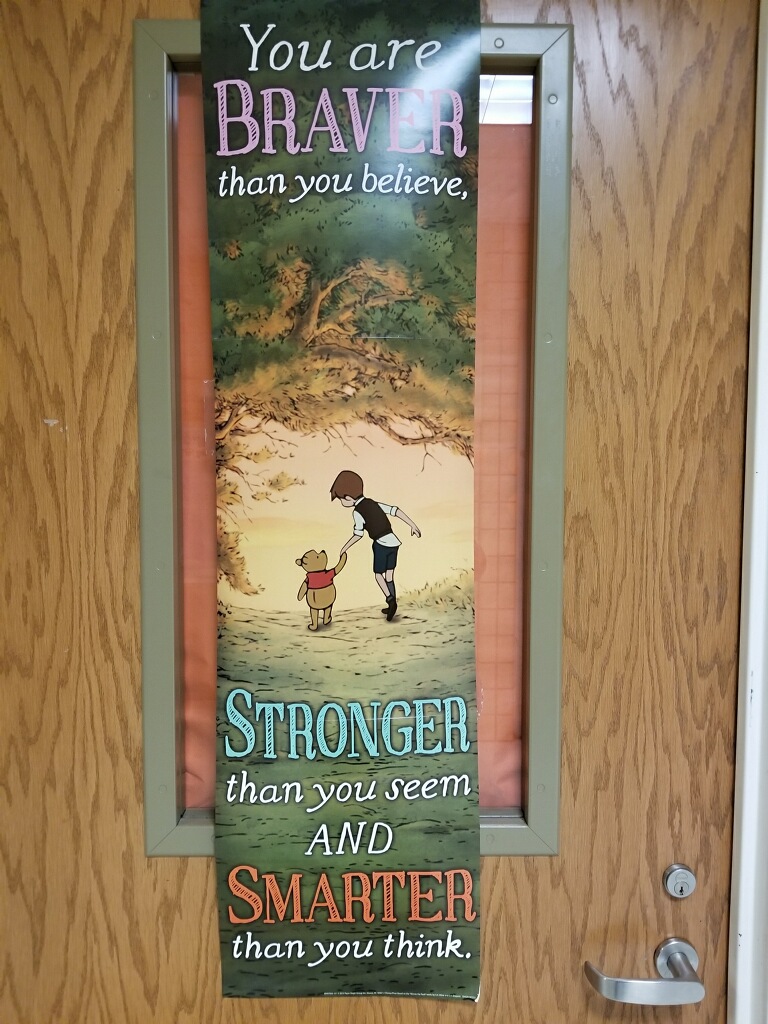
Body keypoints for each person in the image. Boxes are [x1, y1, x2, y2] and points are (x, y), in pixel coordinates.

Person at [330, 469, 421, 621]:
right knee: (389, 575)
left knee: (379, 575)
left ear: (348, 498)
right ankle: (392, 604)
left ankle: (391, 601)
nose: (342, 503)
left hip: (380, 543)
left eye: (341, 500)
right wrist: (413, 525)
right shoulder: (373, 503)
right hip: (394, 542)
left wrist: (345, 547)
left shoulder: (357, 512)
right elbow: (395, 510)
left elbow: (358, 534)